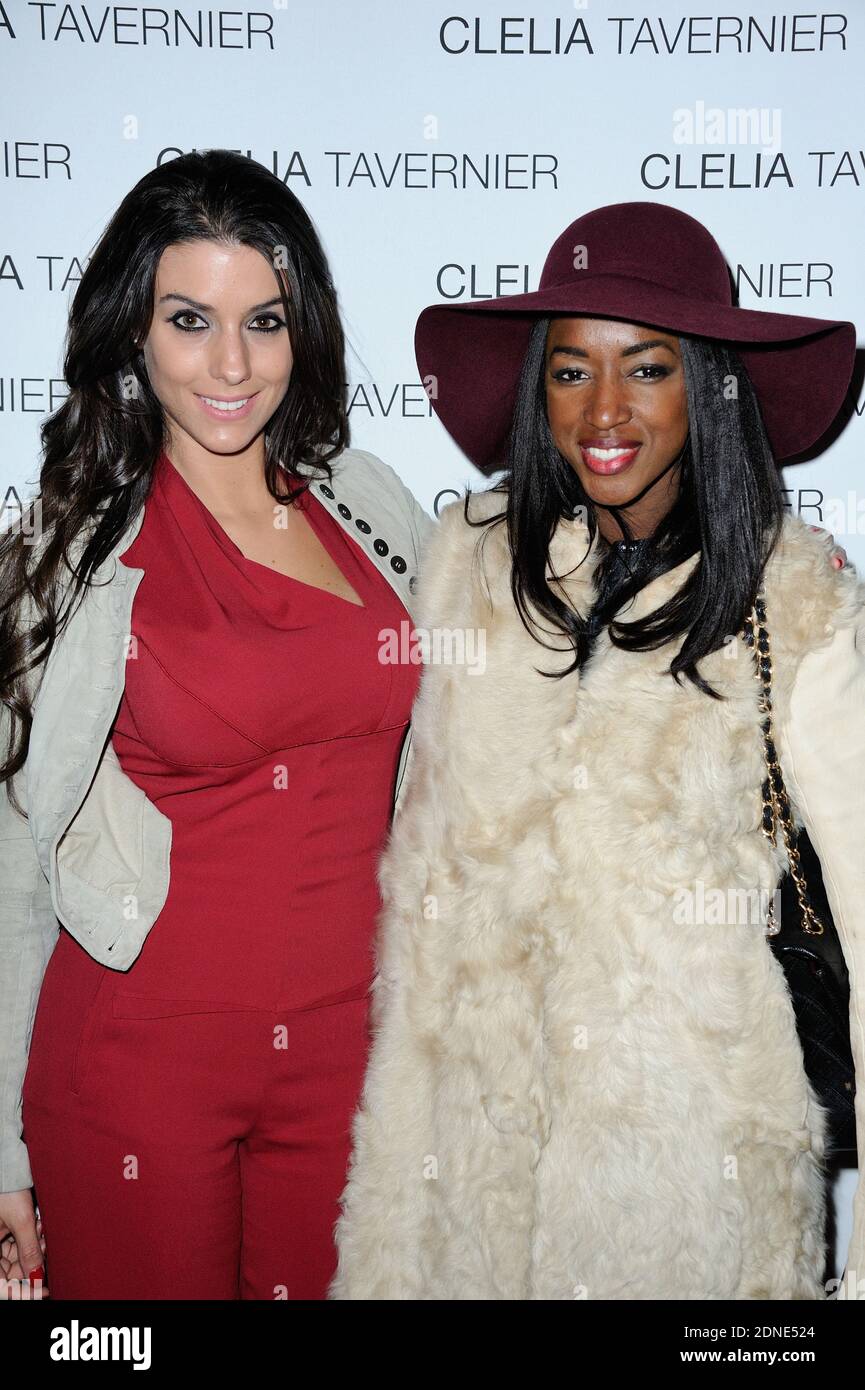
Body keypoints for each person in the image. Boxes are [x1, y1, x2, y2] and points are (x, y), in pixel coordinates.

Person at [329, 201, 864, 1300]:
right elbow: (416, 881)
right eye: (570, 372)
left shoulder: (797, 598)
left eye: (647, 368)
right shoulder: (467, 567)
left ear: (708, 385)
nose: (604, 409)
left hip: (686, 1209)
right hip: (460, 1188)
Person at [0, 149, 432, 1300]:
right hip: (141, 1064)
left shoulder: (372, 502)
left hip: (353, 1059)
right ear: (132, 331)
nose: (230, 365)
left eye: (265, 321)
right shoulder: (72, 554)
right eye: (190, 319)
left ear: (306, 331)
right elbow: (11, 864)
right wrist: (1, 1149)